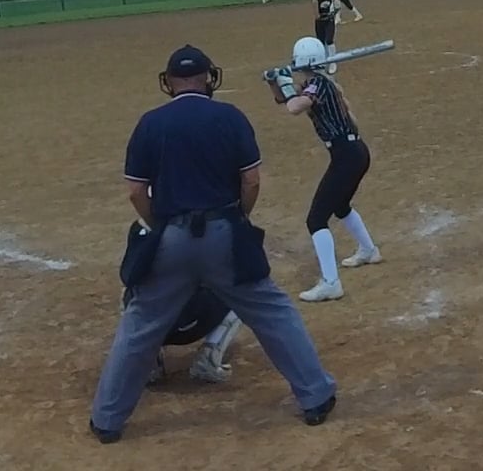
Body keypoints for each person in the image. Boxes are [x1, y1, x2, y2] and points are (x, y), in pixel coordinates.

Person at [89, 45, 337, 442]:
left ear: (169, 82)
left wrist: (160, 225)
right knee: (272, 311)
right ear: (208, 78)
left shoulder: (151, 123)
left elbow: (135, 191)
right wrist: (239, 219)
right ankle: (316, 396)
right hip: (224, 233)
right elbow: (250, 180)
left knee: (139, 325)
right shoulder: (229, 116)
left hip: (170, 237)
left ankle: (106, 420)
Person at [266, 36, 380, 303]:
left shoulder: (318, 85)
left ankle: (331, 283)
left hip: (347, 155)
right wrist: (274, 82)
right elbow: (285, 99)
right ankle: (369, 250)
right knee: (340, 206)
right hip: (353, 151)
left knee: (316, 219)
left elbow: (294, 107)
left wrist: (285, 81)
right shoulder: (322, 84)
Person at [143, 287, 242, 386]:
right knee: (237, 295)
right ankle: (208, 360)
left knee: (144, 293)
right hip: (183, 325)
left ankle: (145, 362)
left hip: (146, 329)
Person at [312, 0, 339, 74]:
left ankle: (333, 62)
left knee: (329, 40)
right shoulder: (315, 0)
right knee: (321, 42)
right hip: (320, 22)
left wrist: (336, 6)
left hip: (329, 22)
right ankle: (324, 60)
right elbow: (317, 16)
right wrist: (328, 14)